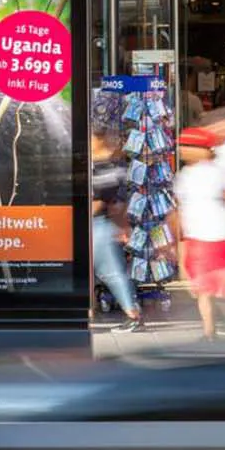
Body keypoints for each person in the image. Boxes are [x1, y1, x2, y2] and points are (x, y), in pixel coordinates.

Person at [170, 126, 225, 341]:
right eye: (181, 146)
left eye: (187, 146)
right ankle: (209, 331)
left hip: (221, 237)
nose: (182, 150)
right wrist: (178, 240)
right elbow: (178, 210)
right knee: (203, 289)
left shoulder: (220, 172)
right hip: (197, 239)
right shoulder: (183, 176)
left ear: (203, 149)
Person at [89, 131, 143, 333]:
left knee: (111, 271)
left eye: (91, 138)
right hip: (102, 224)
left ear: (100, 140)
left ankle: (133, 315)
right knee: (106, 271)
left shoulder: (105, 167)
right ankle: (130, 313)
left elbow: (102, 201)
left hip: (100, 224)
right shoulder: (104, 165)